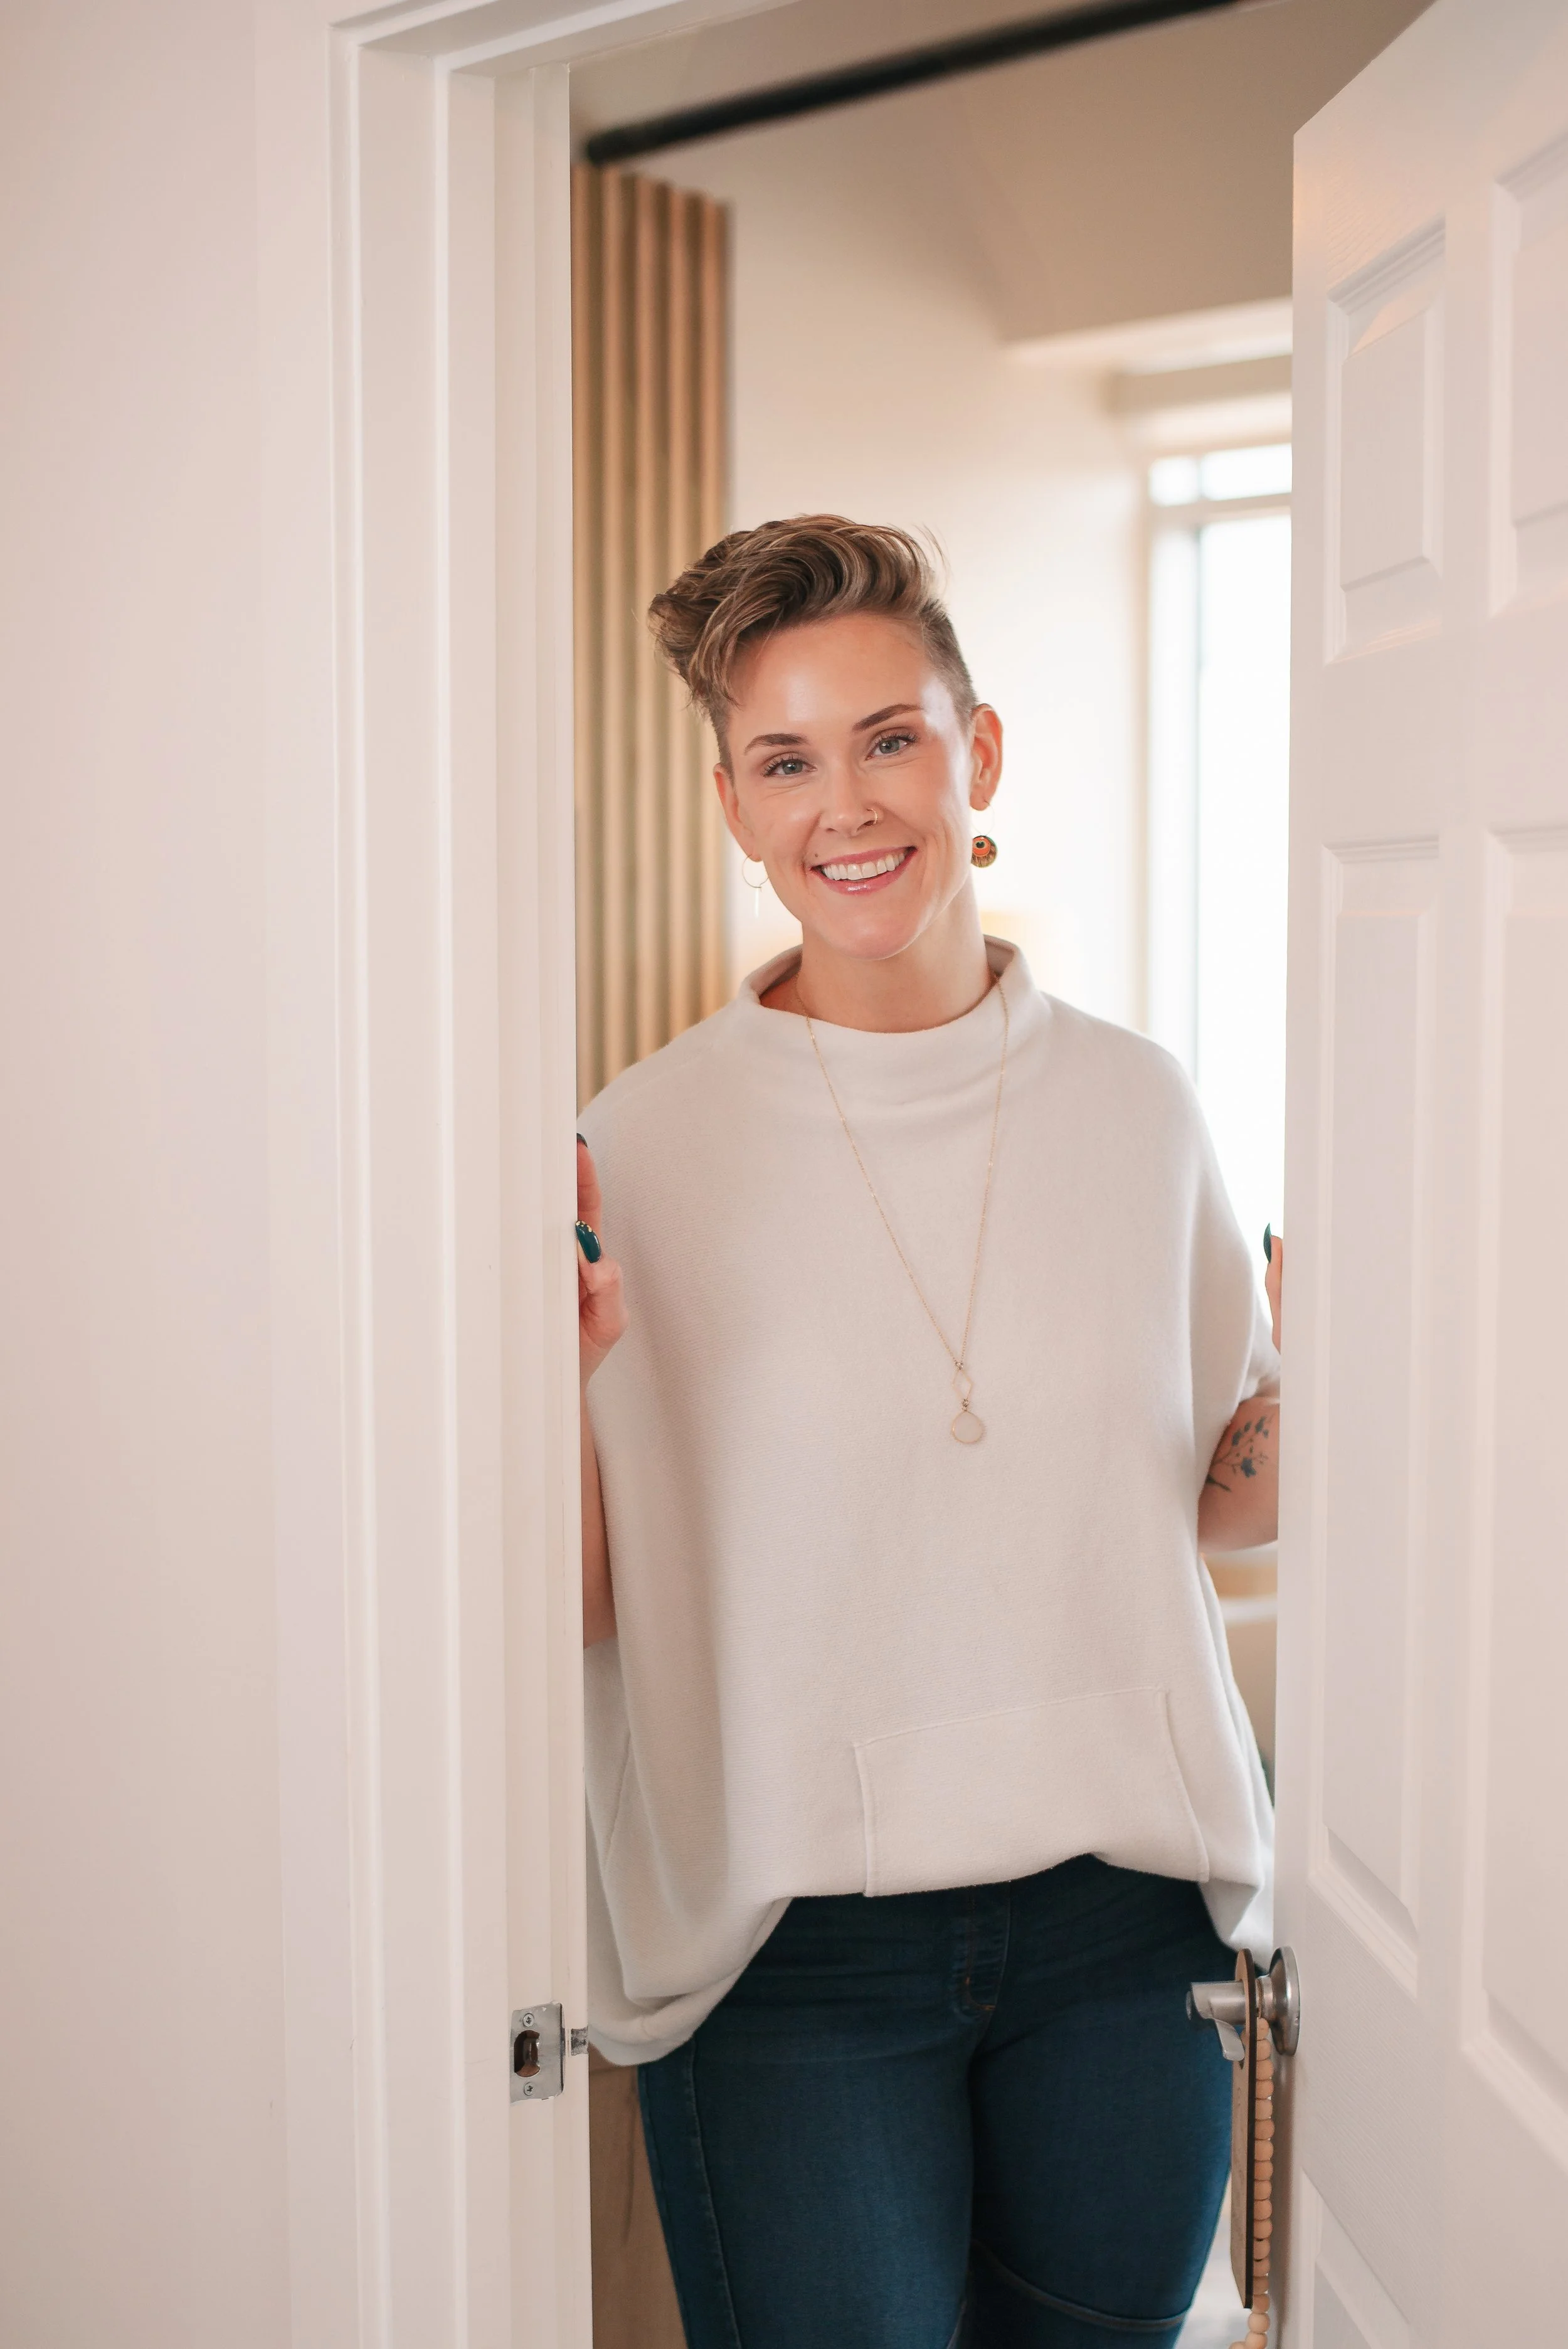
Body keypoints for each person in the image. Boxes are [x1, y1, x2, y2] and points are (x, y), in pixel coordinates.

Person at [574, 517, 1283, 2349]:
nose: (844, 805)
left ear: (973, 757)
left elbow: (1204, 1501)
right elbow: (591, 1599)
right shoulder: (630, 1154)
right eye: (785, 761)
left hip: (1128, 1938)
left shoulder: (1137, 1105)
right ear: (732, 805)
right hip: (798, 1950)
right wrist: (516, 1397)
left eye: (886, 737)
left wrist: (1366, 1382)